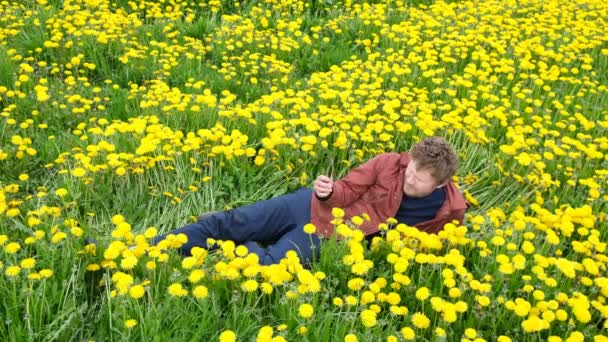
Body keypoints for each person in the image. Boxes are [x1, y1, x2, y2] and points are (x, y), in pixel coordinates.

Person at [152, 136, 469, 265]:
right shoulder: (389, 163)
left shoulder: (450, 210)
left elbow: (431, 247)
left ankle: (239, 244)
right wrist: (328, 191)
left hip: (332, 235)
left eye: (419, 177)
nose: (409, 177)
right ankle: (149, 247)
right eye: (410, 168)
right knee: (227, 222)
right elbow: (347, 188)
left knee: (268, 266)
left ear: (440, 182)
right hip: (310, 205)